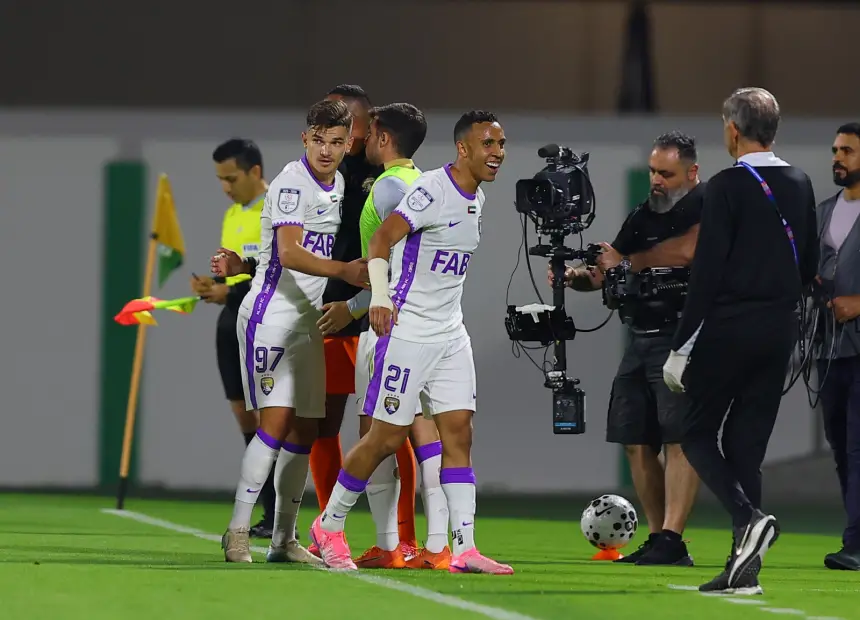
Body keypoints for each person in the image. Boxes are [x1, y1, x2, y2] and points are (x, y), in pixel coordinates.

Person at [309, 110, 514, 575]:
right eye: (488, 144)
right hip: (408, 331)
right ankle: (329, 524)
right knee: (385, 437)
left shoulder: (476, 197)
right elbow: (381, 241)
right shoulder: (430, 190)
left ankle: (463, 548)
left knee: (459, 434)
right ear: (463, 148)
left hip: (450, 334)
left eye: (501, 144)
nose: (498, 153)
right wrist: (380, 298)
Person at [662, 87, 819, 594]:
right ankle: (743, 569)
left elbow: (707, 273)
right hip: (779, 330)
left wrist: (681, 345)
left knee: (695, 432)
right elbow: (809, 264)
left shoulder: (726, 185)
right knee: (745, 447)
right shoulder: (800, 181)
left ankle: (748, 518)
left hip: (729, 327)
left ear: (733, 130)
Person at [212, 99, 369, 563]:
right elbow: (289, 253)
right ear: (305, 138)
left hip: (307, 321)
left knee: (305, 430)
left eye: (336, 142)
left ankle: (283, 540)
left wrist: (244, 262)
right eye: (318, 140)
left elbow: (275, 253)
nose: (326, 150)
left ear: (348, 144)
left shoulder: (339, 183)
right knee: (275, 425)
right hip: (271, 318)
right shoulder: (290, 183)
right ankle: (238, 530)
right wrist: (345, 269)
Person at [553, 131, 703, 566]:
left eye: (666, 173)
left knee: (679, 439)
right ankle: (658, 537)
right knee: (634, 439)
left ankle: (673, 537)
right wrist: (574, 276)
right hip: (640, 336)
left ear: (692, 172)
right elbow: (608, 270)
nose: (656, 180)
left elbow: (688, 253)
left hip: (682, 338)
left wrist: (626, 262)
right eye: (653, 171)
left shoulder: (708, 206)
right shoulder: (644, 214)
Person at [317, 102, 452, 569]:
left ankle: (386, 543)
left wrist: (352, 307)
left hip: (391, 328)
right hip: (430, 326)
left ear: (382, 138)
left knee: (372, 434)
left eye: (368, 132)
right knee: (427, 434)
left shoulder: (392, 186)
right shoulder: (426, 183)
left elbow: (397, 270)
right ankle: (436, 546)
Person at [311, 85, 421, 556]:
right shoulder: (314, 174)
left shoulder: (387, 178)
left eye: (345, 122)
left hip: (371, 314)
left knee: (392, 430)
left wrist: (357, 302)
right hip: (330, 314)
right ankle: (329, 528)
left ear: (368, 127)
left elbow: (401, 256)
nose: (334, 132)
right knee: (321, 424)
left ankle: (405, 539)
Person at [190, 138, 277, 539]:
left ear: (255, 172)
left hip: (264, 321)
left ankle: (278, 516)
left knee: (270, 420)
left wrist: (232, 290)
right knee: (245, 419)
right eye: (220, 179)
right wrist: (213, 287)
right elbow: (230, 275)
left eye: (231, 178)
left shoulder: (276, 209)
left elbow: (274, 272)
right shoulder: (232, 214)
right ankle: (268, 512)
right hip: (231, 323)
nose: (225, 187)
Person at [815, 122, 860, 571]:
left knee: (858, 447)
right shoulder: (823, 211)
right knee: (842, 446)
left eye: (847, 150)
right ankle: (856, 533)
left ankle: (856, 542)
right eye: (835, 150)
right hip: (829, 350)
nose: (838, 158)